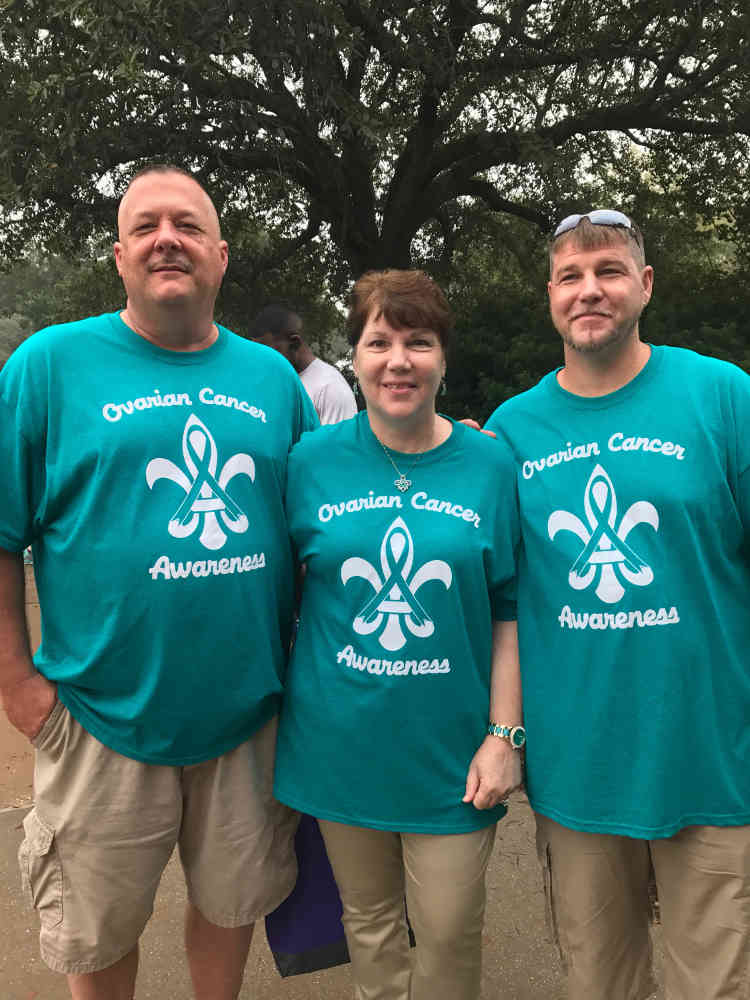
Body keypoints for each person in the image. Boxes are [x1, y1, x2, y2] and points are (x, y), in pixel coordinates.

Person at [0, 165, 318, 1000]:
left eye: (186, 225)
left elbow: (319, 530)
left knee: (229, 905)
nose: (166, 240)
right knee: (97, 932)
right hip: (99, 715)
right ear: (118, 257)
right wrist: (17, 682)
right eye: (144, 227)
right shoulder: (49, 366)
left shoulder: (273, 381)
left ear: (221, 255)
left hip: (247, 713)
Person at [485, 210, 750, 1000]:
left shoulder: (723, 397)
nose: (589, 290)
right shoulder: (511, 432)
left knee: (718, 986)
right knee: (600, 982)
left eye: (608, 270)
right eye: (569, 276)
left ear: (645, 284)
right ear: (550, 296)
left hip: (713, 757)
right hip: (580, 768)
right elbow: (496, 597)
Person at [273, 268, 523, 1000]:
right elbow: (276, 587)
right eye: (379, 342)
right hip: (338, 744)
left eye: (419, 342)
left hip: (452, 755)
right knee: (370, 925)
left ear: (444, 357)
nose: (398, 361)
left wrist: (504, 736)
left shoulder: (491, 462)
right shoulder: (310, 461)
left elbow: (508, 607)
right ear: (353, 356)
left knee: (448, 931)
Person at [249, 303, 357, 424]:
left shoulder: (330, 388)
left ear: (294, 343)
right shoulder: (273, 380)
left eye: (267, 352)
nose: (262, 360)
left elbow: (342, 437)